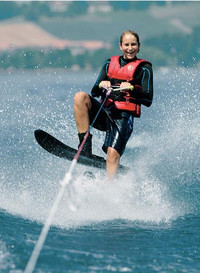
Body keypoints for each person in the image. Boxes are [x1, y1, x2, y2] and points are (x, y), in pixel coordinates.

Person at [73, 30, 153, 180]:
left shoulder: (144, 68)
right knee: (80, 97)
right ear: (121, 46)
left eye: (133, 44)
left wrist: (131, 89)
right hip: (105, 112)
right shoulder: (109, 63)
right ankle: (84, 145)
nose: (130, 48)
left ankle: (109, 189)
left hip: (123, 117)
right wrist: (102, 84)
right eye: (127, 44)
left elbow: (148, 99)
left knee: (112, 155)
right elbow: (94, 91)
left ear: (138, 46)